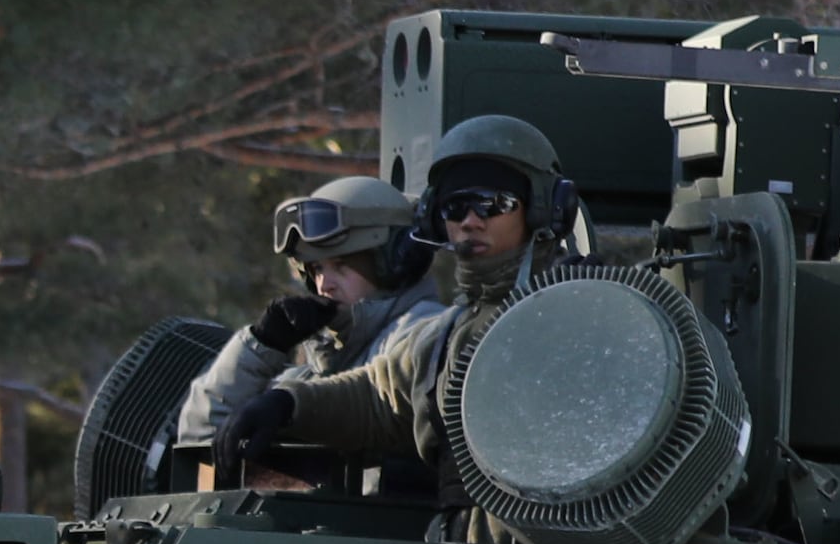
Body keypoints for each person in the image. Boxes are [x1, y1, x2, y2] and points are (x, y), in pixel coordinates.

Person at [221, 114, 580, 485]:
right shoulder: (444, 336)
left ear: (542, 208)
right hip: (462, 538)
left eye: (492, 204)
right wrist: (289, 403)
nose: (470, 221)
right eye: (455, 208)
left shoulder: (573, 313)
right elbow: (377, 398)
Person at [173, 176, 438, 490]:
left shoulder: (427, 337)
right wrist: (261, 346)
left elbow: (382, 423)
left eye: (342, 265)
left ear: (394, 262)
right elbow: (204, 442)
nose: (325, 284)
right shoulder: (323, 362)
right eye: (317, 269)